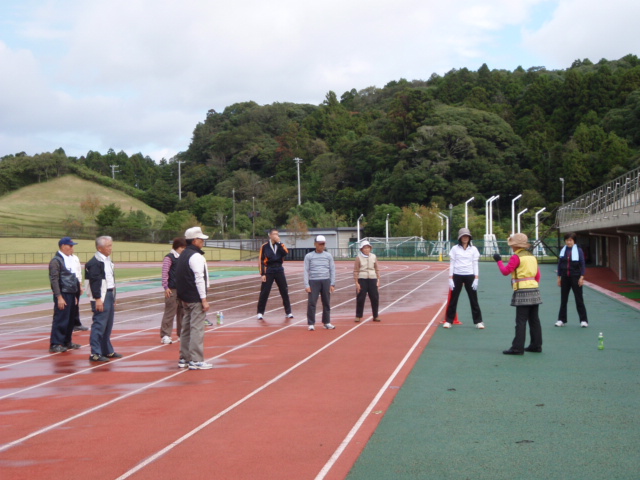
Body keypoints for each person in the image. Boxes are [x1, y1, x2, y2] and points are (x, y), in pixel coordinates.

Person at [493, 233, 543, 355]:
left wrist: (499, 261)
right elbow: (538, 275)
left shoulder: (516, 257)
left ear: (515, 246)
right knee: (534, 320)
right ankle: (536, 345)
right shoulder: (532, 257)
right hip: (534, 289)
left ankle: (517, 347)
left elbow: (505, 272)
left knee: (521, 321)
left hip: (522, 290)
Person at [176, 227, 212, 370]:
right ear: (195, 240)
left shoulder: (183, 254)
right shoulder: (196, 256)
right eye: (201, 239)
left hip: (185, 297)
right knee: (197, 328)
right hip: (195, 297)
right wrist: (203, 299)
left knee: (186, 328)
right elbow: (199, 278)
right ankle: (196, 359)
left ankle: (184, 358)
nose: (203, 241)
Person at [85, 236, 122, 362]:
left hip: (109, 295)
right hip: (101, 296)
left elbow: (110, 281)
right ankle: (95, 353)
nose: (111, 248)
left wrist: (113, 297)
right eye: (108, 246)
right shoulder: (95, 263)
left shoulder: (107, 260)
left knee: (108, 325)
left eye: (111, 245)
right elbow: (95, 283)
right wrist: (98, 299)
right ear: (99, 248)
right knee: (99, 324)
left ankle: (107, 350)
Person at [443, 228, 484, 329]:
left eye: (467, 236)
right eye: (463, 236)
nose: (465, 238)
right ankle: (449, 321)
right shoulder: (455, 249)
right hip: (457, 275)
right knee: (453, 299)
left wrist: (476, 278)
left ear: (469, 238)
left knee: (473, 299)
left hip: (470, 275)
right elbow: (452, 264)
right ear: (460, 238)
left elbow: (475, 264)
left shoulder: (473, 249)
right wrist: (450, 278)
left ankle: (478, 321)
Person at [48, 237, 82, 353]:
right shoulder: (56, 261)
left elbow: (74, 278)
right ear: (63, 246)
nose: (72, 248)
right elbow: (54, 280)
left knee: (70, 319)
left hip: (71, 293)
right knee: (61, 318)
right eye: (70, 246)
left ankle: (67, 341)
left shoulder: (69, 259)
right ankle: (56, 343)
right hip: (63, 294)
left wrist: (76, 295)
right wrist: (59, 297)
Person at [257, 229, 294, 321]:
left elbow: (285, 252)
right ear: (270, 235)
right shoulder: (264, 246)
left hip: (279, 269)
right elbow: (261, 260)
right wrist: (263, 274)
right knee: (264, 292)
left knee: (284, 290)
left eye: (277, 234)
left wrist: (279, 243)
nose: (276, 236)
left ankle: (288, 312)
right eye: (274, 234)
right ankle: (260, 312)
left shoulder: (281, 245)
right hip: (269, 269)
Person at [556, 232, 589, 328]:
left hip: (576, 277)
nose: (568, 242)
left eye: (570, 240)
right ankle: (561, 320)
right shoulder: (563, 250)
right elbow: (560, 264)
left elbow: (582, 264)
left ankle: (583, 320)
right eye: (567, 240)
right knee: (563, 300)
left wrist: (582, 277)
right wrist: (559, 277)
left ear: (574, 241)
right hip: (565, 277)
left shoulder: (579, 250)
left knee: (579, 299)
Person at [304, 235, 336, 331]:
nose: (322, 246)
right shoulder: (309, 256)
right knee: (312, 303)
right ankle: (311, 323)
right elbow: (306, 270)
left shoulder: (328, 256)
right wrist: (307, 285)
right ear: (315, 244)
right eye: (320, 244)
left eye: (323, 244)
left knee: (326, 302)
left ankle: (326, 322)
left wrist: (332, 283)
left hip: (326, 280)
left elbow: (332, 270)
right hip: (313, 281)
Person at [160, 237, 187, 344]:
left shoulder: (183, 258)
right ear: (178, 247)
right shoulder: (169, 257)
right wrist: (166, 287)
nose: (184, 250)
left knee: (182, 312)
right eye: (182, 248)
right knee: (170, 312)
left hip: (182, 289)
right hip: (172, 289)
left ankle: (182, 334)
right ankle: (165, 335)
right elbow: (165, 273)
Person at [353, 240, 381, 322]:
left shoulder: (373, 256)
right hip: (362, 279)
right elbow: (356, 271)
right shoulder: (358, 258)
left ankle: (375, 315)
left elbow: (377, 269)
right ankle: (358, 315)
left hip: (372, 278)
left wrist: (378, 279)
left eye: (368, 248)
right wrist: (356, 282)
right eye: (365, 248)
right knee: (361, 298)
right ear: (361, 249)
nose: (366, 249)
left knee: (375, 298)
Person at [70, 250, 88, 332]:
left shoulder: (75, 258)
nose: (72, 248)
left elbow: (79, 272)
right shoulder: (63, 259)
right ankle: (69, 324)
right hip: (69, 283)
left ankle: (76, 323)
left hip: (76, 282)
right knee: (70, 304)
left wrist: (80, 286)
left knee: (76, 304)